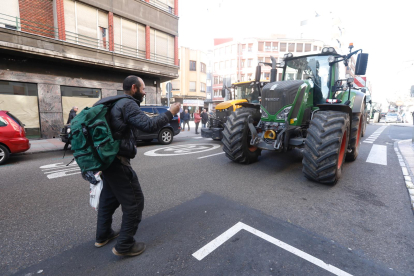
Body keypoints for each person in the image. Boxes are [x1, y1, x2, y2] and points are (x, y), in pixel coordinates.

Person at [93, 75, 180, 257]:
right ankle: (124, 245)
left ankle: (103, 235)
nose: (144, 91)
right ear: (134, 88)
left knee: (109, 199)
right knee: (134, 202)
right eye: (142, 88)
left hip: (107, 160)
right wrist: (170, 112)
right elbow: (149, 125)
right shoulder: (128, 104)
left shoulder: (114, 102)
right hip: (118, 161)